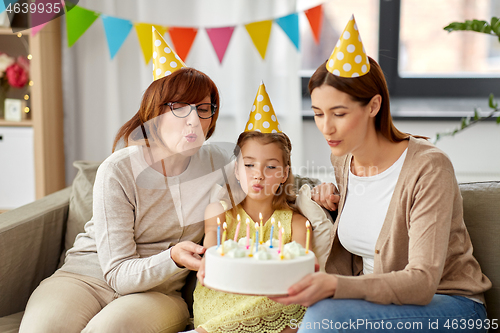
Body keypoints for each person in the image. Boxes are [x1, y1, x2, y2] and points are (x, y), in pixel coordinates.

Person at [271, 16, 492, 333]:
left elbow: (422, 283)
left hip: (450, 306)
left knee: (325, 319)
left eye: (339, 113)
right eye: (318, 113)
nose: (326, 127)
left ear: (374, 105)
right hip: (378, 306)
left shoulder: (428, 168)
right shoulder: (343, 160)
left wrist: (334, 287)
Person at [19, 67, 232, 333]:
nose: (193, 120)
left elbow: (272, 173)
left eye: (203, 109)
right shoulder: (119, 169)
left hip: (159, 293)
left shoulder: (218, 162)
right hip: (85, 278)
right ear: (155, 113)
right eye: (179, 107)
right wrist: (173, 258)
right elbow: (118, 273)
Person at [192, 83, 312, 333]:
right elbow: (214, 262)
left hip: (275, 300)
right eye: (249, 165)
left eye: (270, 167)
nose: (258, 175)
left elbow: (300, 278)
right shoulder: (218, 212)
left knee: (297, 313)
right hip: (223, 298)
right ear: (236, 170)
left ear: (284, 174)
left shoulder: (298, 224)